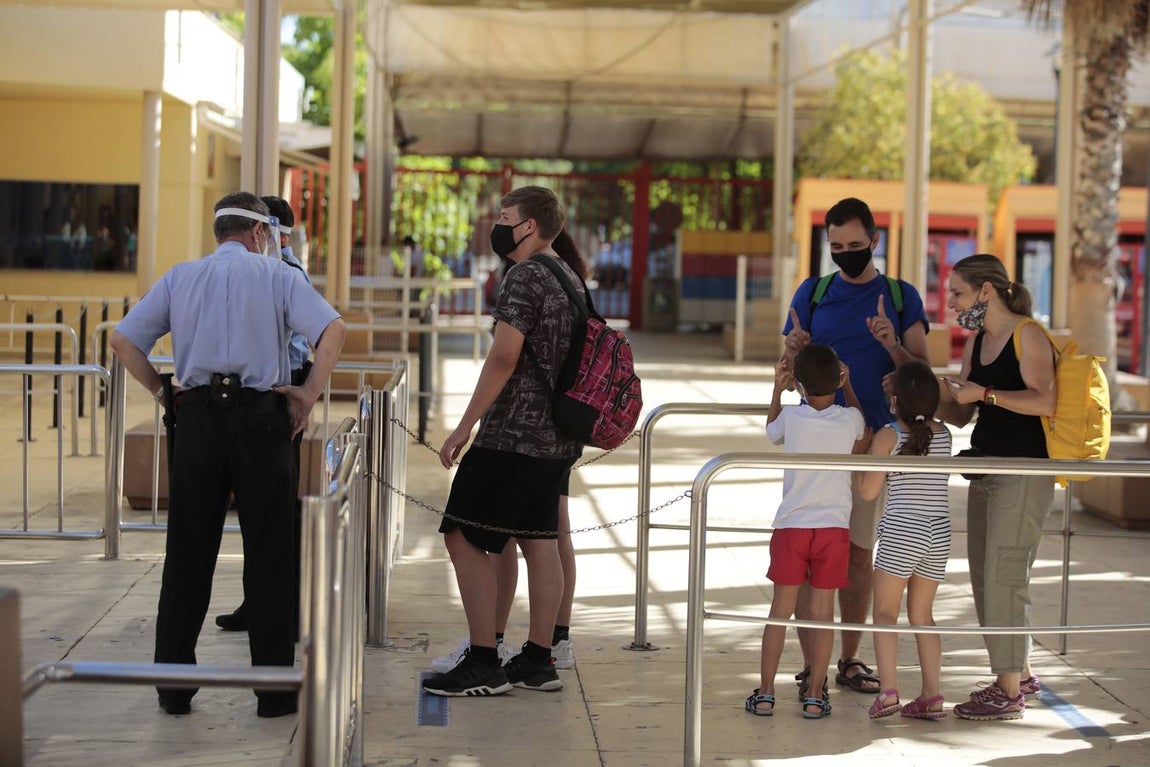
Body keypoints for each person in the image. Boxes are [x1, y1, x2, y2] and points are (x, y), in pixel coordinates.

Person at [110, 192, 346, 718]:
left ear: (219, 233)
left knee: (188, 555)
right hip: (262, 421)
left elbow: (124, 342)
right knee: (269, 553)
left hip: (195, 420)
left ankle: (173, 690)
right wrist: (307, 394)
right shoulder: (279, 277)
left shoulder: (179, 276)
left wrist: (161, 392)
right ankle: (273, 692)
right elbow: (333, 329)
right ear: (261, 234)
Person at [422, 186, 583, 697]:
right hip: (558, 437)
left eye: (505, 216)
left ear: (530, 226)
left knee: (462, 536)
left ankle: (484, 660)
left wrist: (464, 425)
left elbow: (503, 357)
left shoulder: (526, 275)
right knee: (541, 541)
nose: (498, 223)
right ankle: (538, 658)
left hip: (513, 434)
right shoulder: (568, 275)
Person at [781, 197, 930, 697]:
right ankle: (812, 665)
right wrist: (793, 348)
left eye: (855, 245)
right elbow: (787, 361)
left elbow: (922, 375)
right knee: (807, 555)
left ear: (874, 241)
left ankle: (847, 657)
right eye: (836, 246)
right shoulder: (813, 292)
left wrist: (892, 343)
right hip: (819, 446)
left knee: (858, 556)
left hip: (876, 446)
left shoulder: (901, 296)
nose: (845, 253)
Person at [937, 253, 1055, 721]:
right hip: (985, 470)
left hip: (1023, 473)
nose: (950, 303)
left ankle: (1007, 692)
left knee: (1006, 575)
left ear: (986, 291)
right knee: (988, 580)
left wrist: (984, 394)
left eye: (957, 293)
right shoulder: (977, 341)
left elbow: (1045, 399)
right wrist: (923, 391)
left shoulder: (1027, 334)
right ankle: (1019, 672)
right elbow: (963, 412)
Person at [745, 344, 865, 719]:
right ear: (838, 379)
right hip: (833, 529)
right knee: (823, 615)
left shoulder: (793, 420)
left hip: (793, 526)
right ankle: (815, 693)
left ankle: (765, 693)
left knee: (780, 611)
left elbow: (771, 432)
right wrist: (849, 386)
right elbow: (862, 428)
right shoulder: (848, 420)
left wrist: (777, 390)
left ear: (799, 383)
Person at [215, 195, 313, 634]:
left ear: (275, 231)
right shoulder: (272, 270)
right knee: (264, 513)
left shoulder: (283, 272)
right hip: (272, 393)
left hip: (280, 393)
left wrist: (302, 395)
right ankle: (259, 603)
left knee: (277, 514)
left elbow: (322, 333)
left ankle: (282, 608)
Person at [856, 359, 952, 720]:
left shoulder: (888, 436)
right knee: (923, 615)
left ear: (894, 400)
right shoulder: (944, 435)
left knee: (884, 614)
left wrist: (860, 457)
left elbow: (868, 492)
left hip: (901, 532)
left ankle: (889, 691)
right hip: (937, 532)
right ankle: (931, 694)